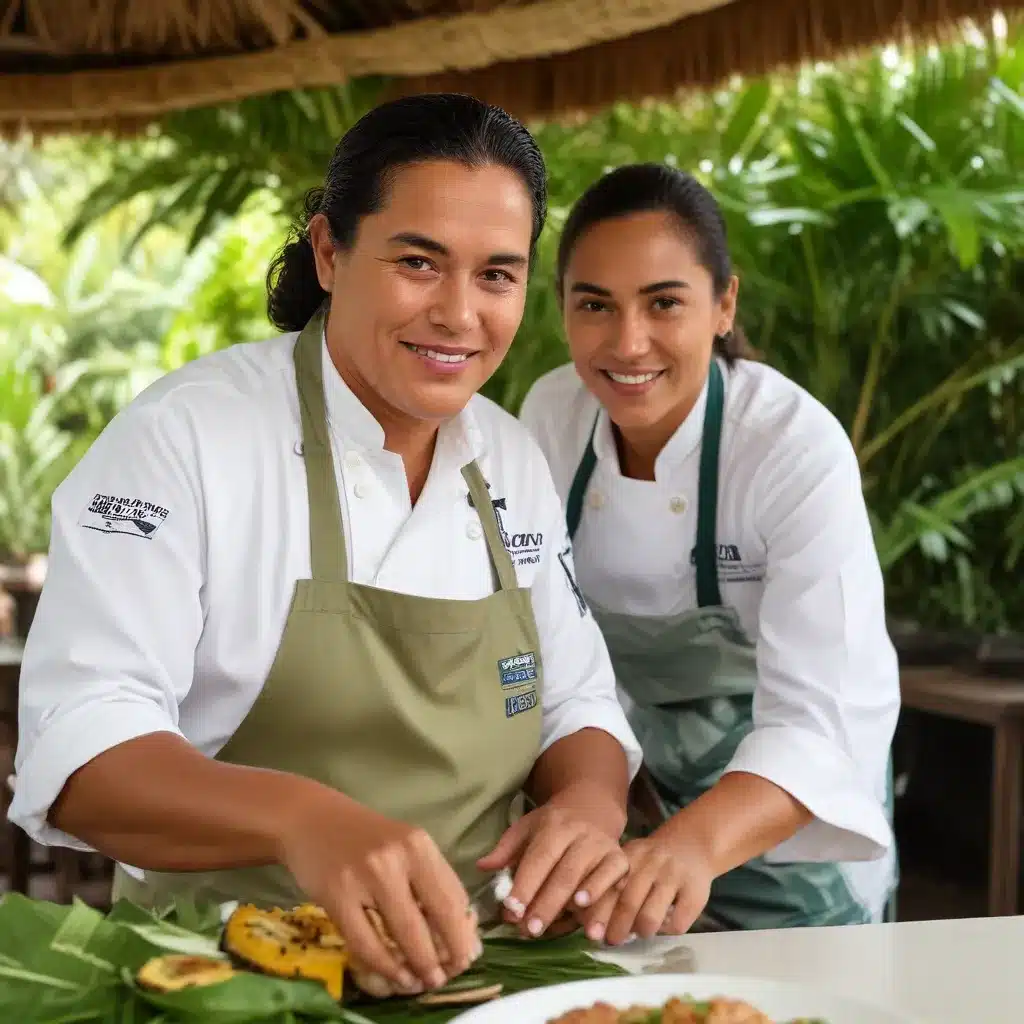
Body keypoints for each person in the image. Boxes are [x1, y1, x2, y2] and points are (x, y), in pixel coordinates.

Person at [9, 94, 643, 994]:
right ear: (331, 251)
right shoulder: (185, 439)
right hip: (234, 983)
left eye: (497, 275)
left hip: (489, 976)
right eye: (419, 262)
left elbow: (576, 701)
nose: (460, 314)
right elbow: (79, 748)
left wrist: (588, 803)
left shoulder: (508, 456)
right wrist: (303, 820)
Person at [519, 163, 899, 944]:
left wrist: (692, 845)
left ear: (723, 304)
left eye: (664, 302)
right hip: (628, 810)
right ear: (561, 310)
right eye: (595, 304)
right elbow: (539, 642)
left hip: (788, 831)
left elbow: (823, 714)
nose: (627, 343)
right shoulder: (548, 420)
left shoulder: (791, 448)